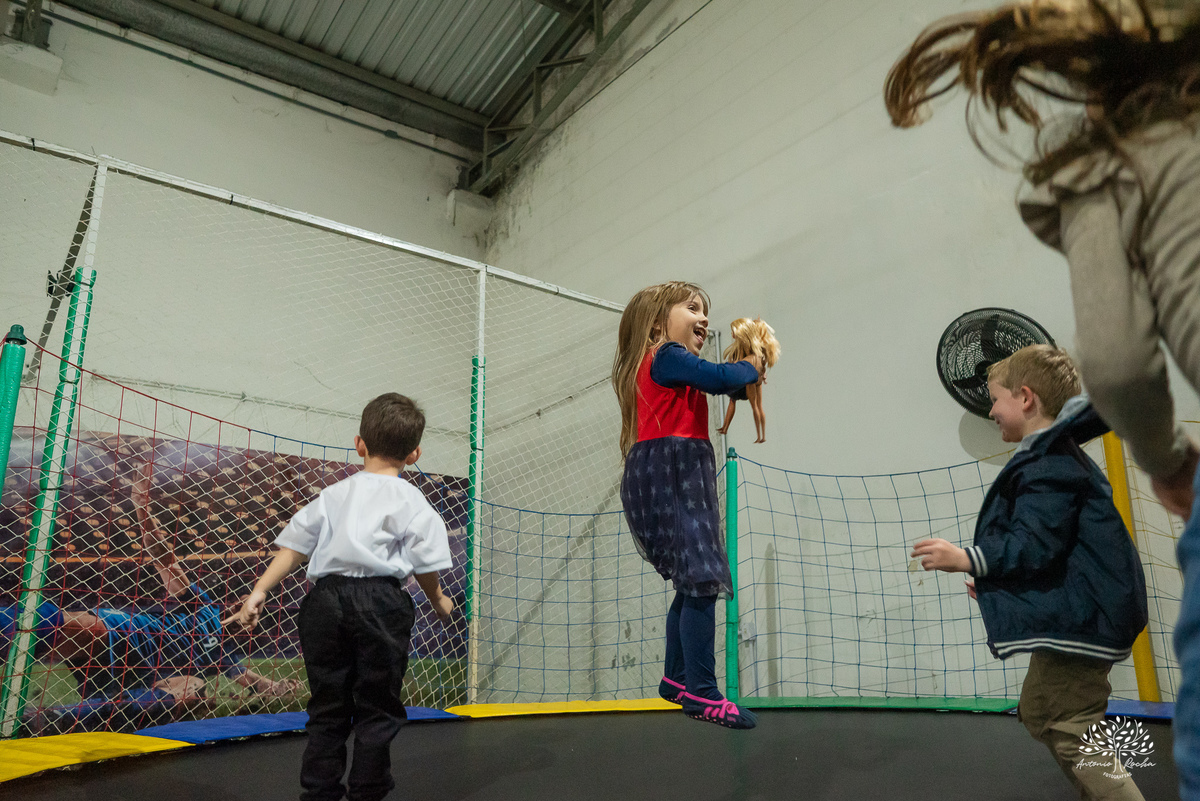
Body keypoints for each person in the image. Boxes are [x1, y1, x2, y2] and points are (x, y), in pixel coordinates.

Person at [912, 345, 1148, 800]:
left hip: (1089, 619)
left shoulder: (1049, 464)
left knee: (1071, 723)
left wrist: (968, 557)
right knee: (1040, 709)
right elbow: (1060, 553)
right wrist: (1003, 589)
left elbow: (1034, 545)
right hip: (1084, 611)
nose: (991, 410)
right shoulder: (1051, 456)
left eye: (995, 399)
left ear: (1025, 397)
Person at [227, 392, 453, 801]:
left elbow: (293, 549)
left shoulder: (333, 494)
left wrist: (258, 591)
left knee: (327, 706)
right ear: (415, 454)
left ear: (359, 444)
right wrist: (439, 601)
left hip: (325, 602)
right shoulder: (413, 500)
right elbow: (425, 565)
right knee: (377, 706)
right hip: (382, 602)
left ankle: (319, 793)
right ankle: (367, 793)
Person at [3, 465, 298, 735]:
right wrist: (142, 508)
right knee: (71, 627)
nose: (243, 604)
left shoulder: (225, 656)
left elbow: (256, 682)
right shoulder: (202, 605)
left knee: (193, 690)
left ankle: (54, 719)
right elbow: (164, 559)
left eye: (251, 608)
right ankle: (7, 626)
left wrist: (280, 687)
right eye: (243, 599)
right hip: (124, 637)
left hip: (135, 682)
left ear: (251, 625)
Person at [612, 281, 762, 729]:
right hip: (674, 469)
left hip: (665, 470)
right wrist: (752, 364)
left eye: (705, 311)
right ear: (659, 323)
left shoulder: (667, 366)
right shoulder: (666, 355)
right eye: (692, 308)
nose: (704, 318)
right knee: (701, 576)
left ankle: (676, 679)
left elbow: (722, 385)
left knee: (689, 579)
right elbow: (720, 379)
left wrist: (744, 379)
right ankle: (702, 690)